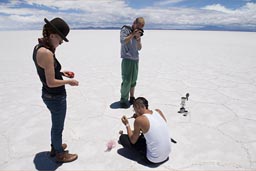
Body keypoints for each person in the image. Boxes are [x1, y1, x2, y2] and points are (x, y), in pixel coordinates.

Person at [32, 17, 78, 163]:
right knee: (58, 127)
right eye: (60, 39)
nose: (61, 43)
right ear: (52, 36)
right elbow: (51, 82)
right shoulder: (47, 53)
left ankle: (55, 146)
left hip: (48, 95)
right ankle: (59, 154)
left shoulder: (39, 47)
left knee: (56, 125)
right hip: (55, 96)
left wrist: (62, 72)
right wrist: (69, 81)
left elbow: (47, 71)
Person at [119, 97, 171, 165]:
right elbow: (158, 127)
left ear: (139, 108)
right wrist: (139, 117)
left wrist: (127, 124)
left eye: (134, 109)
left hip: (154, 159)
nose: (134, 112)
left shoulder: (139, 120)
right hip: (167, 155)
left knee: (123, 138)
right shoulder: (158, 111)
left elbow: (133, 140)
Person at [119, 17, 145, 108]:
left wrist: (138, 39)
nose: (140, 29)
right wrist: (132, 34)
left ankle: (132, 97)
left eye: (142, 27)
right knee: (126, 81)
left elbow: (139, 48)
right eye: (139, 26)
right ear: (134, 23)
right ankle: (123, 100)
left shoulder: (138, 33)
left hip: (135, 60)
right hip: (127, 59)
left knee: (133, 81)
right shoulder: (125, 29)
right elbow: (122, 41)